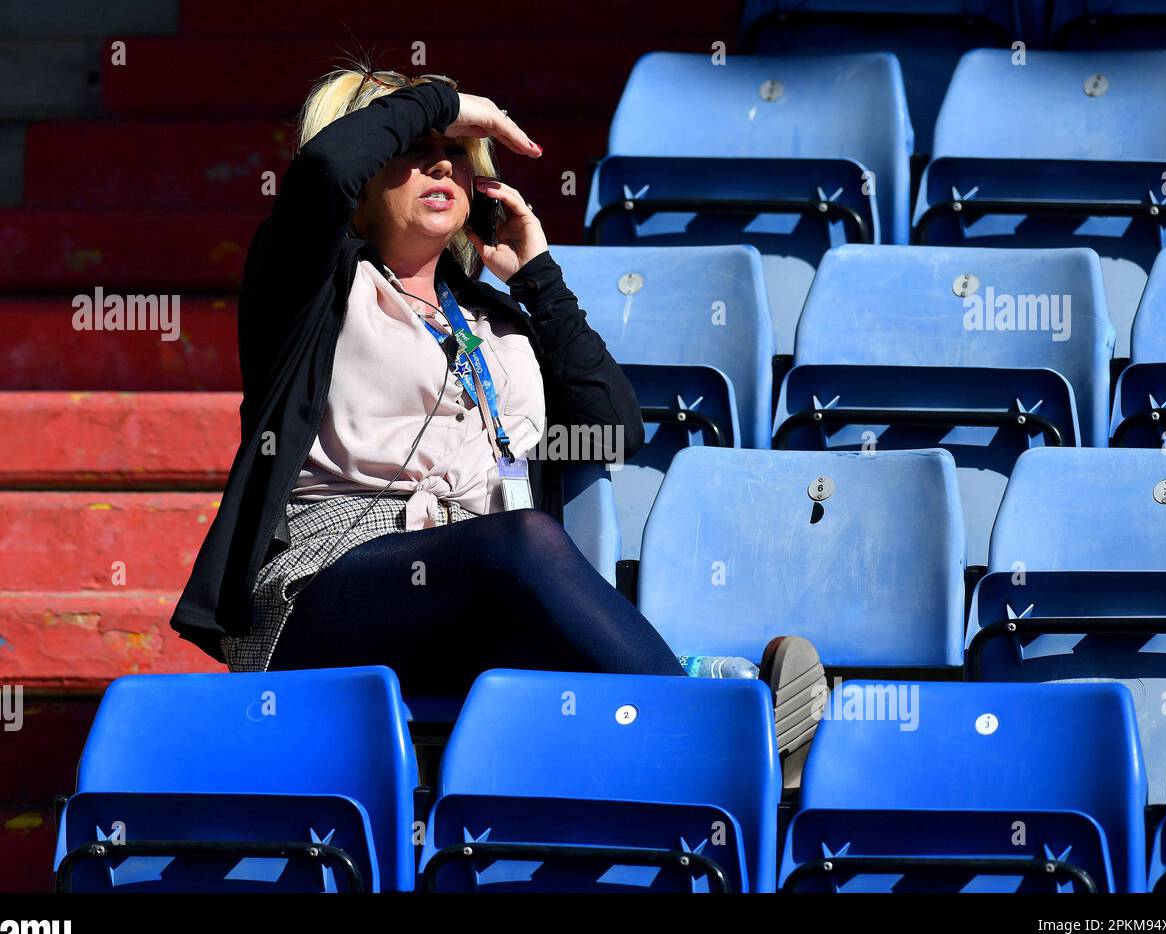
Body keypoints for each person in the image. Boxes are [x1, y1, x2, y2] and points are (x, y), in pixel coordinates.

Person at [170, 65, 823, 779]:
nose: (440, 163)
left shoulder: (494, 316)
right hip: (326, 584)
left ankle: (702, 717)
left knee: (528, 575)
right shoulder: (310, 288)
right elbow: (324, 168)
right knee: (524, 544)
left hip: (477, 591)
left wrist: (536, 276)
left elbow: (612, 428)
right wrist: (446, 103)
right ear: (365, 178)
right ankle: (716, 723)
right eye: (412, 149)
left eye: (452, 151)